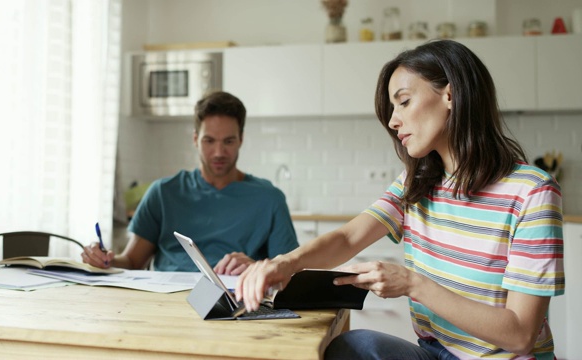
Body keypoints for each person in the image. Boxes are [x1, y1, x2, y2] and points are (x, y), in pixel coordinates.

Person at [236, 40, 564, 359]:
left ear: (450, 95)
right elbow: (348, 237)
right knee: (351, 347)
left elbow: (521, 335)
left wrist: (411, 283)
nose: (393, 121)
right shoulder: (415, 184)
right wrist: (284, 263)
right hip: (435, 352)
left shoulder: (531, 191)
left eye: (403, 101)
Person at [82, 91, 299, 274]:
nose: (218, 152)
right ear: (195, 139)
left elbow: (290, 271)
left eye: (229, 141)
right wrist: (103, 260)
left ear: (241, 139)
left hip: (238, 304)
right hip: (164, 305)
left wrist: (257, 269)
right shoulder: (163, 193)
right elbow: (131, 262)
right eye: (209, 141)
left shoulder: (270, 199)